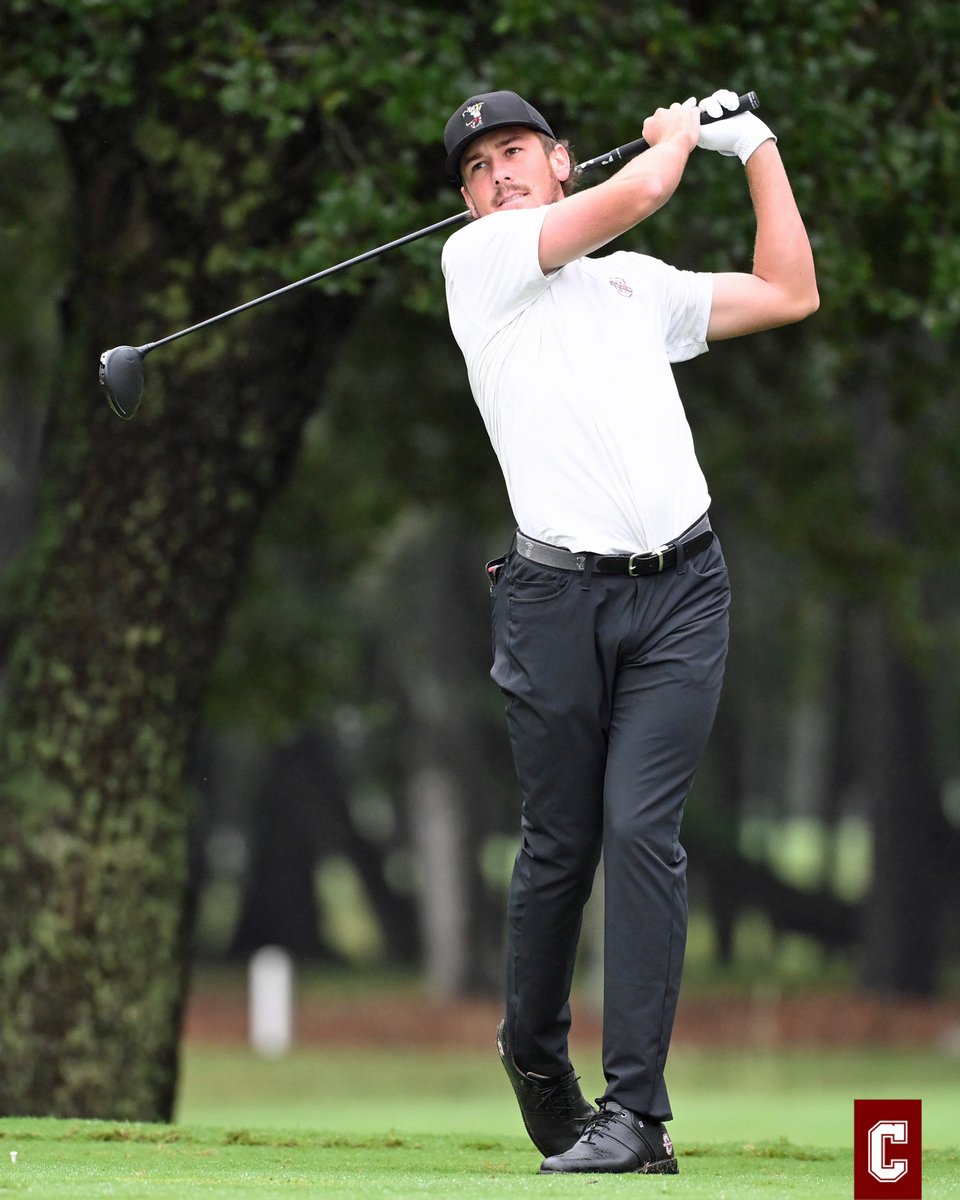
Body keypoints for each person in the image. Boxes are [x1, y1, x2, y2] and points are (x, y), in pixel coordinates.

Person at [440, 87, 818, 1175]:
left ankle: (635, 1118)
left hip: (683, 593)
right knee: (561, 846)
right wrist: (676, 144)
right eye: (476, 168)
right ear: (469, 203)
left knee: (642, 833)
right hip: (554, 602)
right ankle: (534, 1050)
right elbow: (643, 190)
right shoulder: (483, 266)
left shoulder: (631, 286)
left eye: (515, 151)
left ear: (558, 159)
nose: (498, 173)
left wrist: (758, 151)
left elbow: (791, 290)